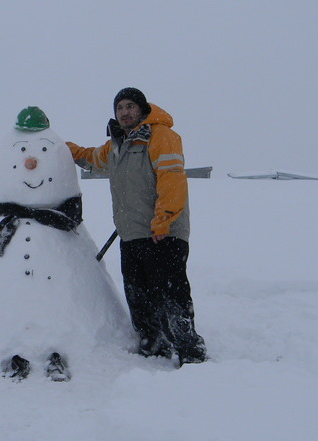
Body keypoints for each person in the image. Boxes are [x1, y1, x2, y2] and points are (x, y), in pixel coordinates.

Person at [67, 87, 207, 365]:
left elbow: (172, 179)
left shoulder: (161, 136)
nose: (125, 112)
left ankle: (189, 350)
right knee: (138, 294)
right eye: (120, 108)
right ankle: (153, 344)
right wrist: (62, 148)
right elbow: (91, 158)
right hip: (131, 234)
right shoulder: (117, 145)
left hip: (162, 233)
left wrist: (163, 220)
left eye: (130, 106)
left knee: (170, 293)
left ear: (142, 109)